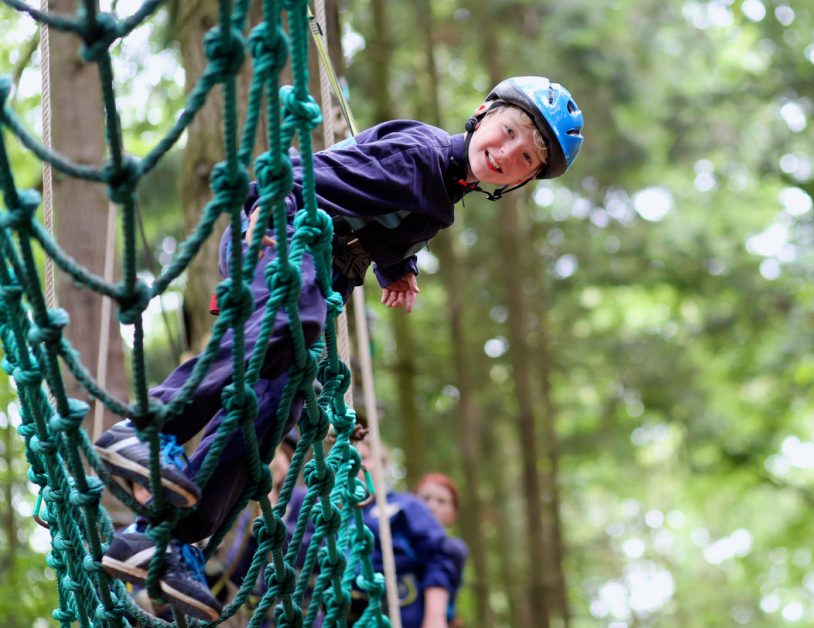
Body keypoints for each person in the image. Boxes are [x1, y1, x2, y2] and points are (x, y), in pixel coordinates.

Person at [94, 76, 584, 621]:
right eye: (509, 130)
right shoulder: (420, 158)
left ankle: (166, 540)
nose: (507, 152)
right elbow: (304, 177)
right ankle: (151, 426)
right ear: (483, 112)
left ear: (526, 179)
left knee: (276, 407)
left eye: (526, 158)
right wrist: (272, 223)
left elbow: (382, 220)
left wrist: (399, 266)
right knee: (295, 321)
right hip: (284, 230)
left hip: (313, 265)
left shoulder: (444, 187)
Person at [349, 440, 458, 628]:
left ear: (383, 465)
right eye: (346, 459)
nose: (353, 465)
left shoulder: (405, 506)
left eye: (364, 458)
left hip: (401, 614)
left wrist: (435, 617)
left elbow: (437, 555)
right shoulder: (333, 516)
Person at [414, 473, 469, 627]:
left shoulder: (451, 549)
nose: (431, 506)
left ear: (453, 514)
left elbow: (437, 576)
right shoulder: (395, 546)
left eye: (442, 501)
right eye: (425, 498)